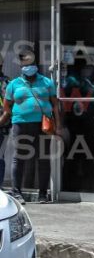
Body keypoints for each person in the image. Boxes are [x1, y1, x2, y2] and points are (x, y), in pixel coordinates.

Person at [0, 49, 60, 204]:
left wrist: (58, 125)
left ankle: (42, 194)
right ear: (21, 65)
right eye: (25, 63)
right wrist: (14, 116)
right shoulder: (14, 84)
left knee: (43, 158)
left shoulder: (47, 82)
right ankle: (17, 192)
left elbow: (55, 105)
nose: (28, 66)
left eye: (31, 63)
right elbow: (7, 107)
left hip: (43, 125)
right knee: (19, 158)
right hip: (21, 124)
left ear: (35, 64)